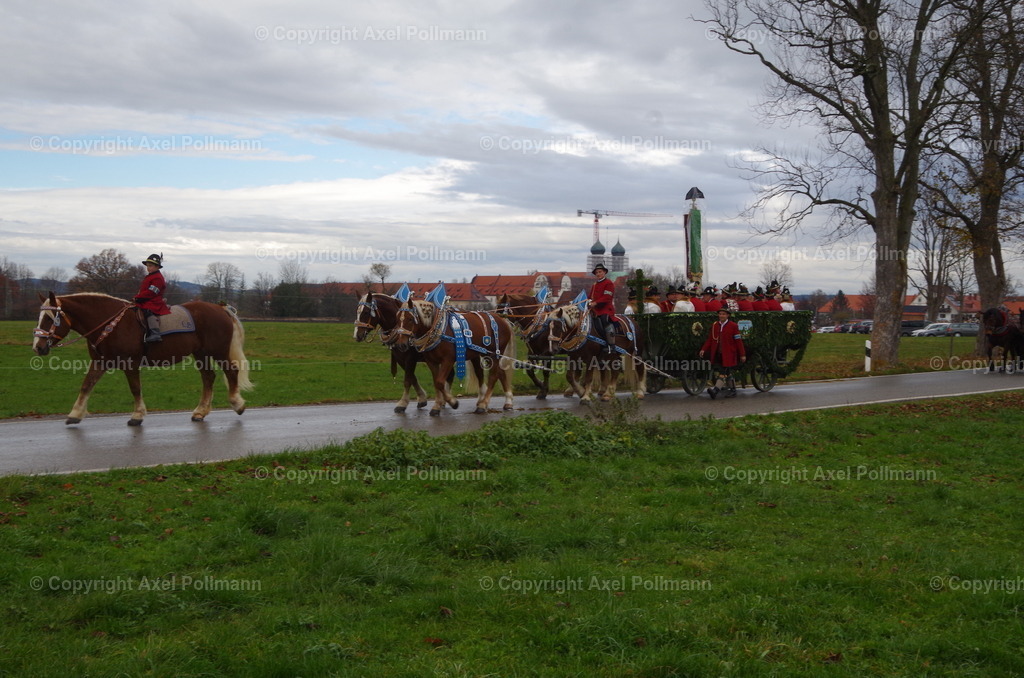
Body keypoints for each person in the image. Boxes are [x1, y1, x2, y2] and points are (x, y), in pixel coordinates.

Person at [699, 308, 746, 399]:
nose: (721, 316)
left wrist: (742, 354)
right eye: (720, 314)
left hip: (729, 354)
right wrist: (703, 349)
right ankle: (733, 391)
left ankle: (715, 390)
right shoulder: (715, 325)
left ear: (727, 315)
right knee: (727, 372)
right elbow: (710, 339)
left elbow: (738, 341)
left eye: (723, 314)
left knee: (722, 371)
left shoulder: (733, 326)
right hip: (718, 353)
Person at [135, 253, 171, 343]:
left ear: (157, 267)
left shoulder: (158, 278)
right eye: (147, 266)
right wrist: (137, 297)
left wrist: (139, 297)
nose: (148, 268)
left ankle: (155, 333)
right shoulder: (149, 276)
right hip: (145, 299)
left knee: (148, 311)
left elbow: (152, 292)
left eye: (150, 266)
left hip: (154, 301)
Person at [588, 264, 617, 353]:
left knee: (605, 320)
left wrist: (595, 303)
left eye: (600, 272)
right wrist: (587, 301)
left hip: (605, 309)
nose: (598, 274)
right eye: (596, 272)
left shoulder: (609, 283)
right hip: (594, 309)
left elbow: (607, 297)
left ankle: (611, 344)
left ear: (604, 272)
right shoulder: (594, 284)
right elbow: (590, 296)